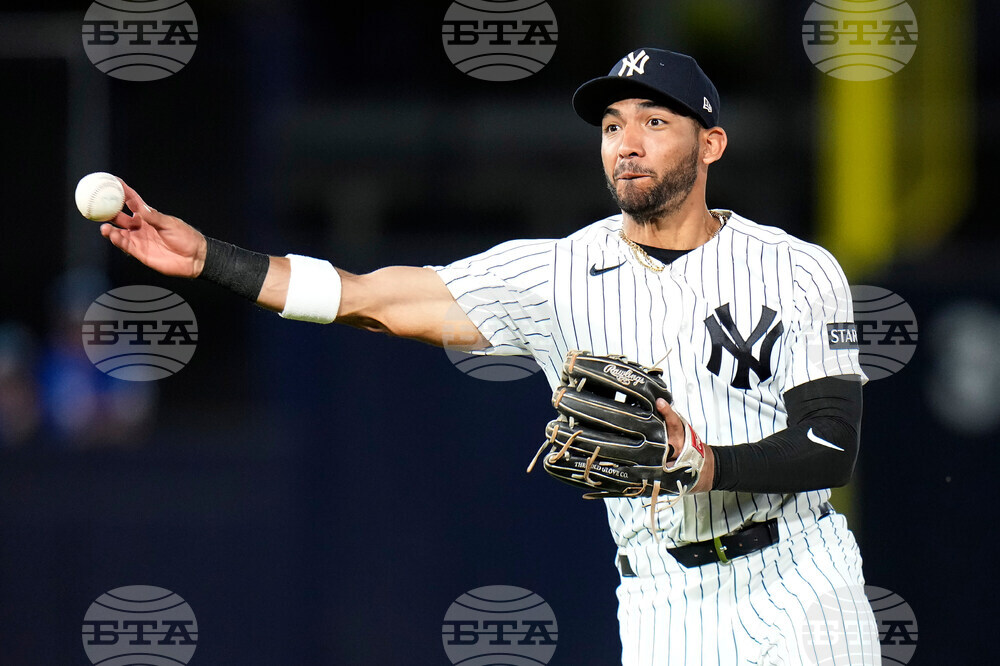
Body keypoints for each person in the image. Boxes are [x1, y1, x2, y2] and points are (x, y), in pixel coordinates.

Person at [96, 48, 880, 665]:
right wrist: (210, 259)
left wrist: (702, 464)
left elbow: (829, 445)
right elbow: (372, 298)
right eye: (612, 126)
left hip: (798, 580)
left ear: (711, 143)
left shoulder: (795, 269)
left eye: (654, 122)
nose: (628, 144)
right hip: (661, 600)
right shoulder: (557, 273)